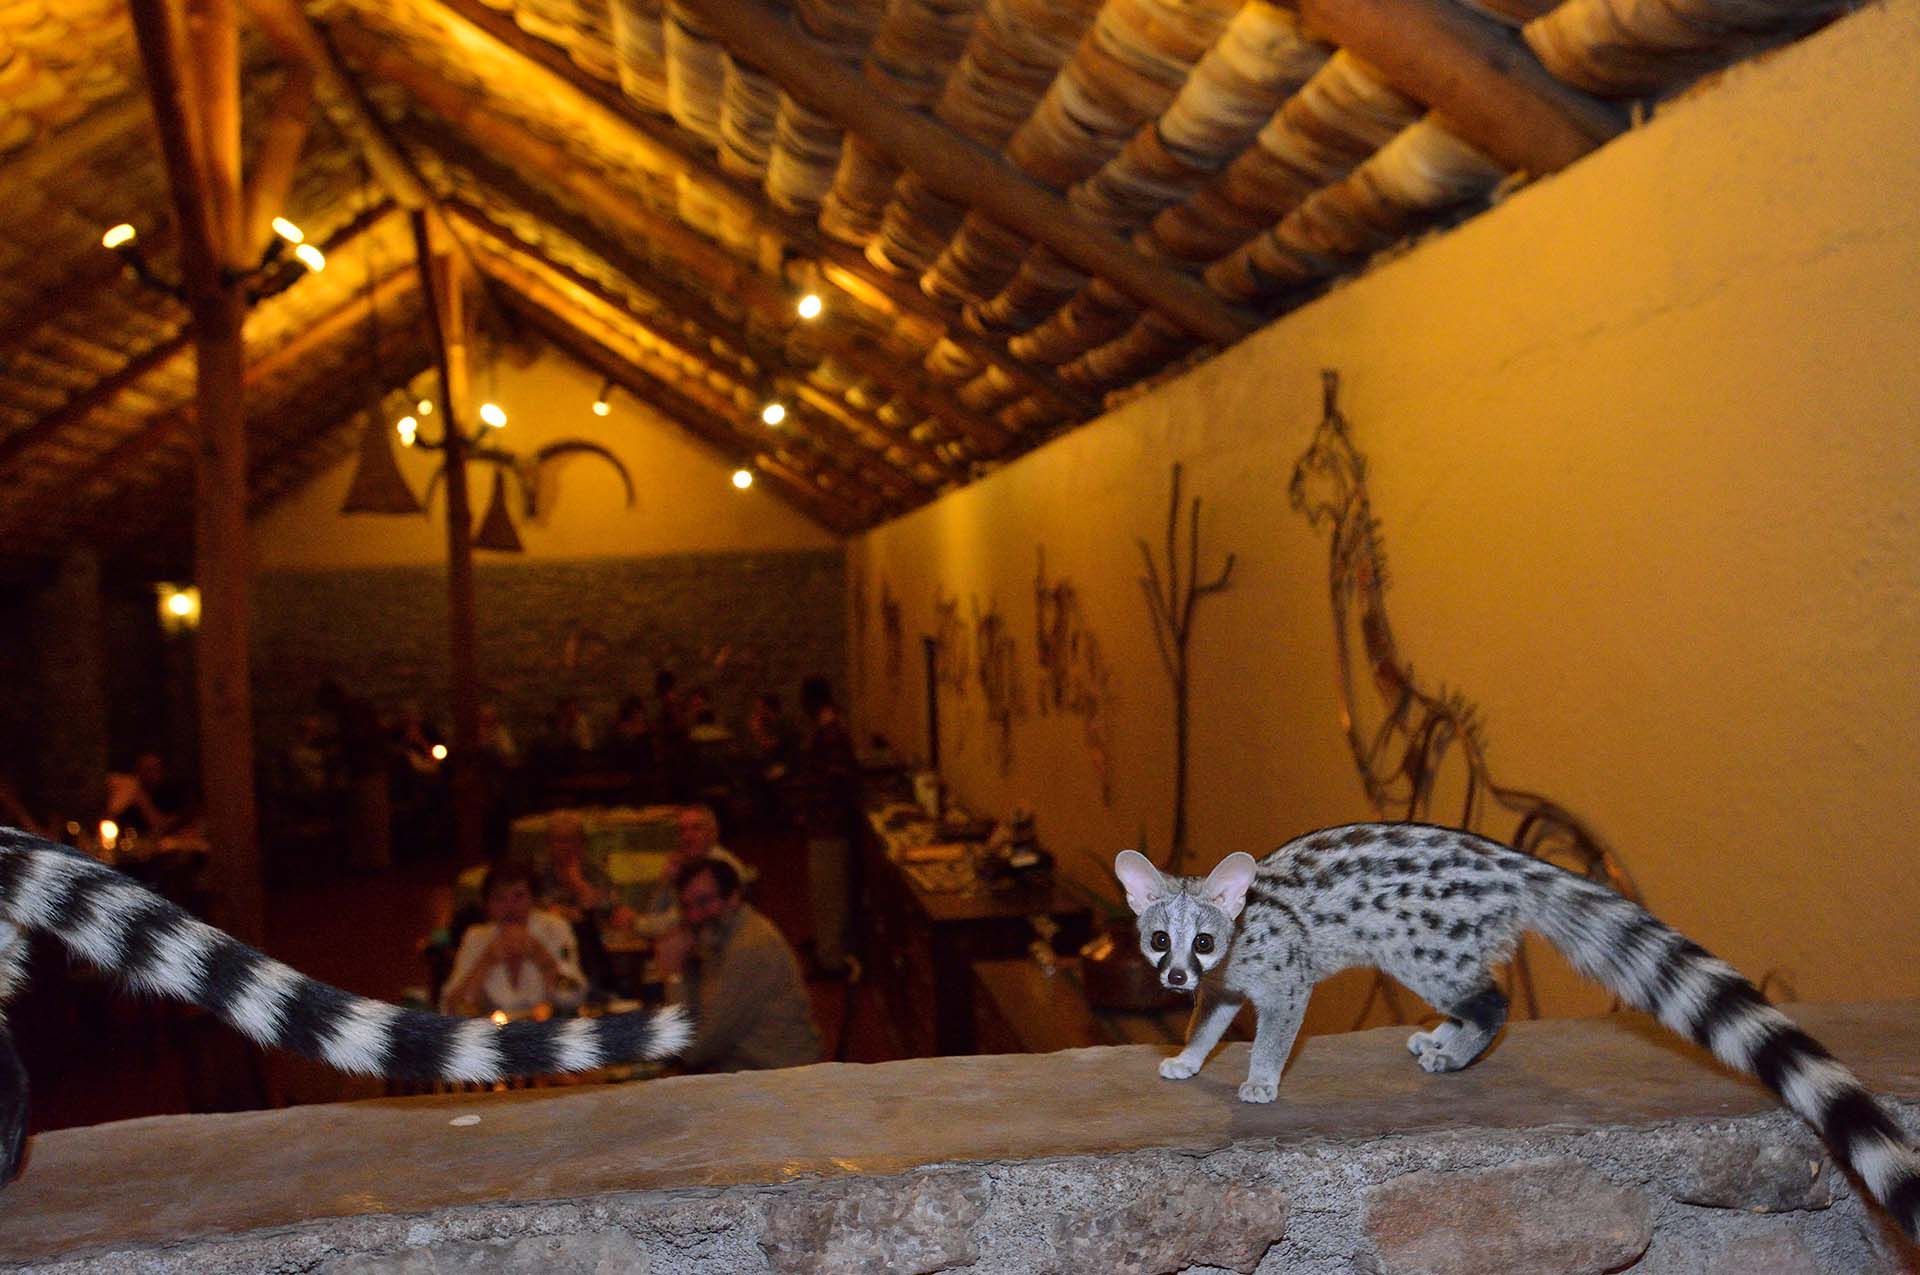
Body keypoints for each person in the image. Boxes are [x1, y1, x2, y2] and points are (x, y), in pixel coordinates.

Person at [653, 856, 821, 1073]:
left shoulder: (748, 948)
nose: (693, 916)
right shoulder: (722, 933)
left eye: (704, 902)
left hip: (780, 1080)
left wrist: (674, 975)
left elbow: (694, 1051)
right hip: (752, 1071)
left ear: (733, 897)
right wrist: (686, 965)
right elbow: (701, 1015)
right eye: (687, 906)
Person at [440, 861, 587, 1015]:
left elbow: (574, 999)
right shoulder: (476, 937)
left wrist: (542, 957)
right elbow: (451, 1007)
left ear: (534, 899)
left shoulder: (555, 929)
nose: (510, 907)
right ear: (487, 905)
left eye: (519, 896)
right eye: (499, 898)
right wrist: (486, 961)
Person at [794, 675, 858, 976]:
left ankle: (831, 957)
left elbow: (834, 781)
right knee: (826, 892)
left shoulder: (830, 736)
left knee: (829, 892)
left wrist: (811, 802)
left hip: (828, 825)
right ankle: (827, 945)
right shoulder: (831, 732)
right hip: (826, 823)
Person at [630, 804, 756, 938]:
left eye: (696, 828)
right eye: (682, 830)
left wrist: (634, 923)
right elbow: (654, 912)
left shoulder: (719, 867)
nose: (688, 837)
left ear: (712, 833)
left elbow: (684, 920)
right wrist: (666, 881)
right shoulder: (687, 863)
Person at [104, 751, 194, 839]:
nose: (150, 774)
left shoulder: (171, 794)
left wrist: (142, 800)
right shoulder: (128, 793)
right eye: (146, 769)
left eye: (155, 768)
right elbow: (110, 824)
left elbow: (165, 827)